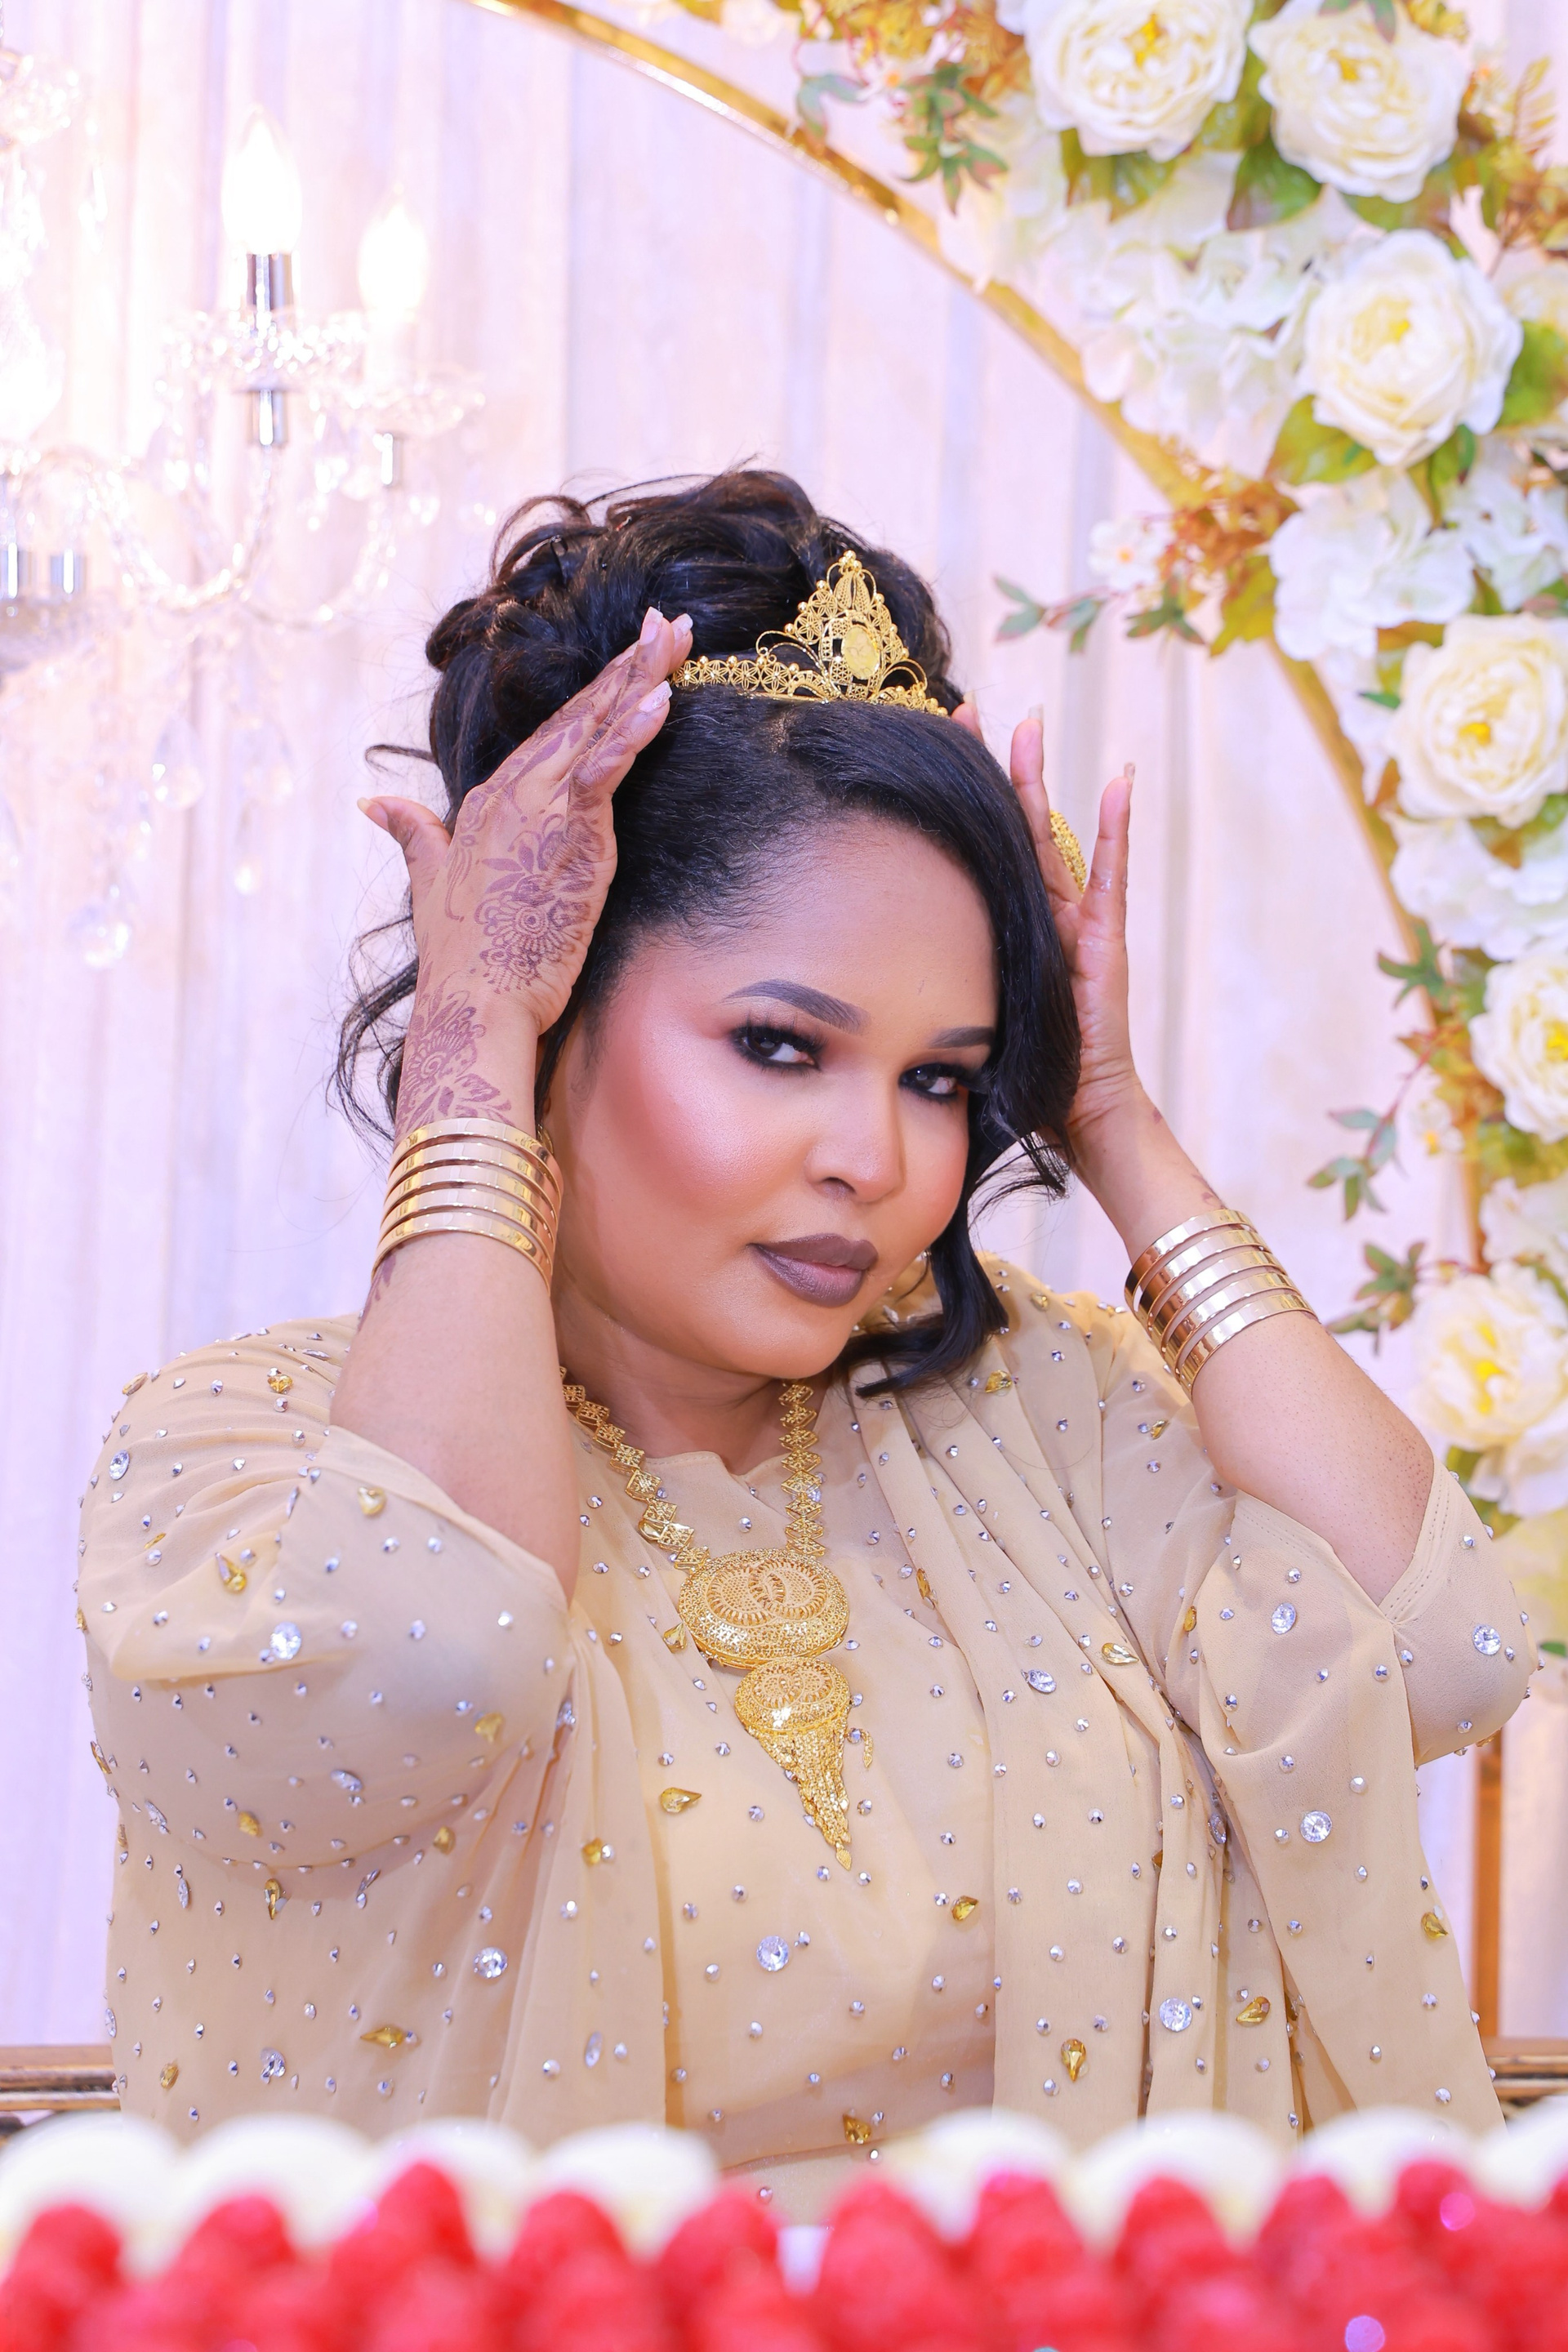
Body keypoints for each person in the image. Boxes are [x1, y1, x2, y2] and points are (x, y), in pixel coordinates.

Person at [82, 470, 1530, 2213]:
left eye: (941, 1079)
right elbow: (427, 1655)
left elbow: (1442, 1648)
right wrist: (467, 1045)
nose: (878, 1159)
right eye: (781, 1047)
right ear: (561, 1002)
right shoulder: (240, 1462)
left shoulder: (1034, 1415)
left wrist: (1114, 1116)